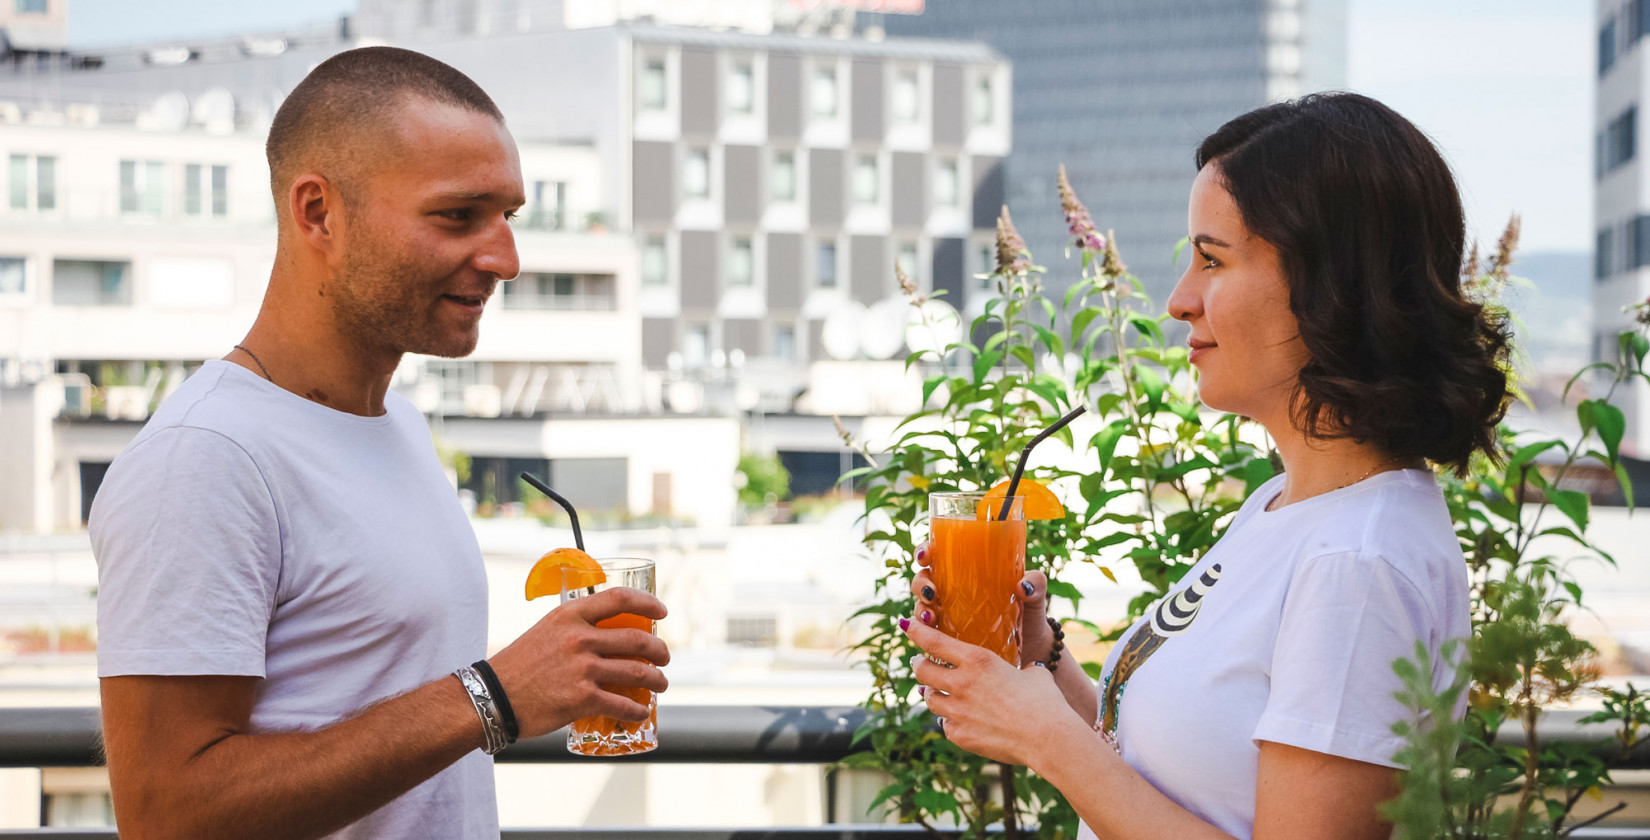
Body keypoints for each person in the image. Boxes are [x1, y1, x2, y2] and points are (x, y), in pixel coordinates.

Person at [88, 47, 670, 840]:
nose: (505, 258)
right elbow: (166, 815)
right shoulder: (207, 457)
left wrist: (500, 694)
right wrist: (493, 696)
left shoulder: (395, 423)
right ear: (318, 213)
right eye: (458, 216)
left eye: (508, 216)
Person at [902, 92, 1509, 840]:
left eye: (1211, 259)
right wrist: (1043, 659)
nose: (1177, 300)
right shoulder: (1287, 508)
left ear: (1330, 284)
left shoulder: (1358, 563)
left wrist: (1045, 743)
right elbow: (1173, 774)